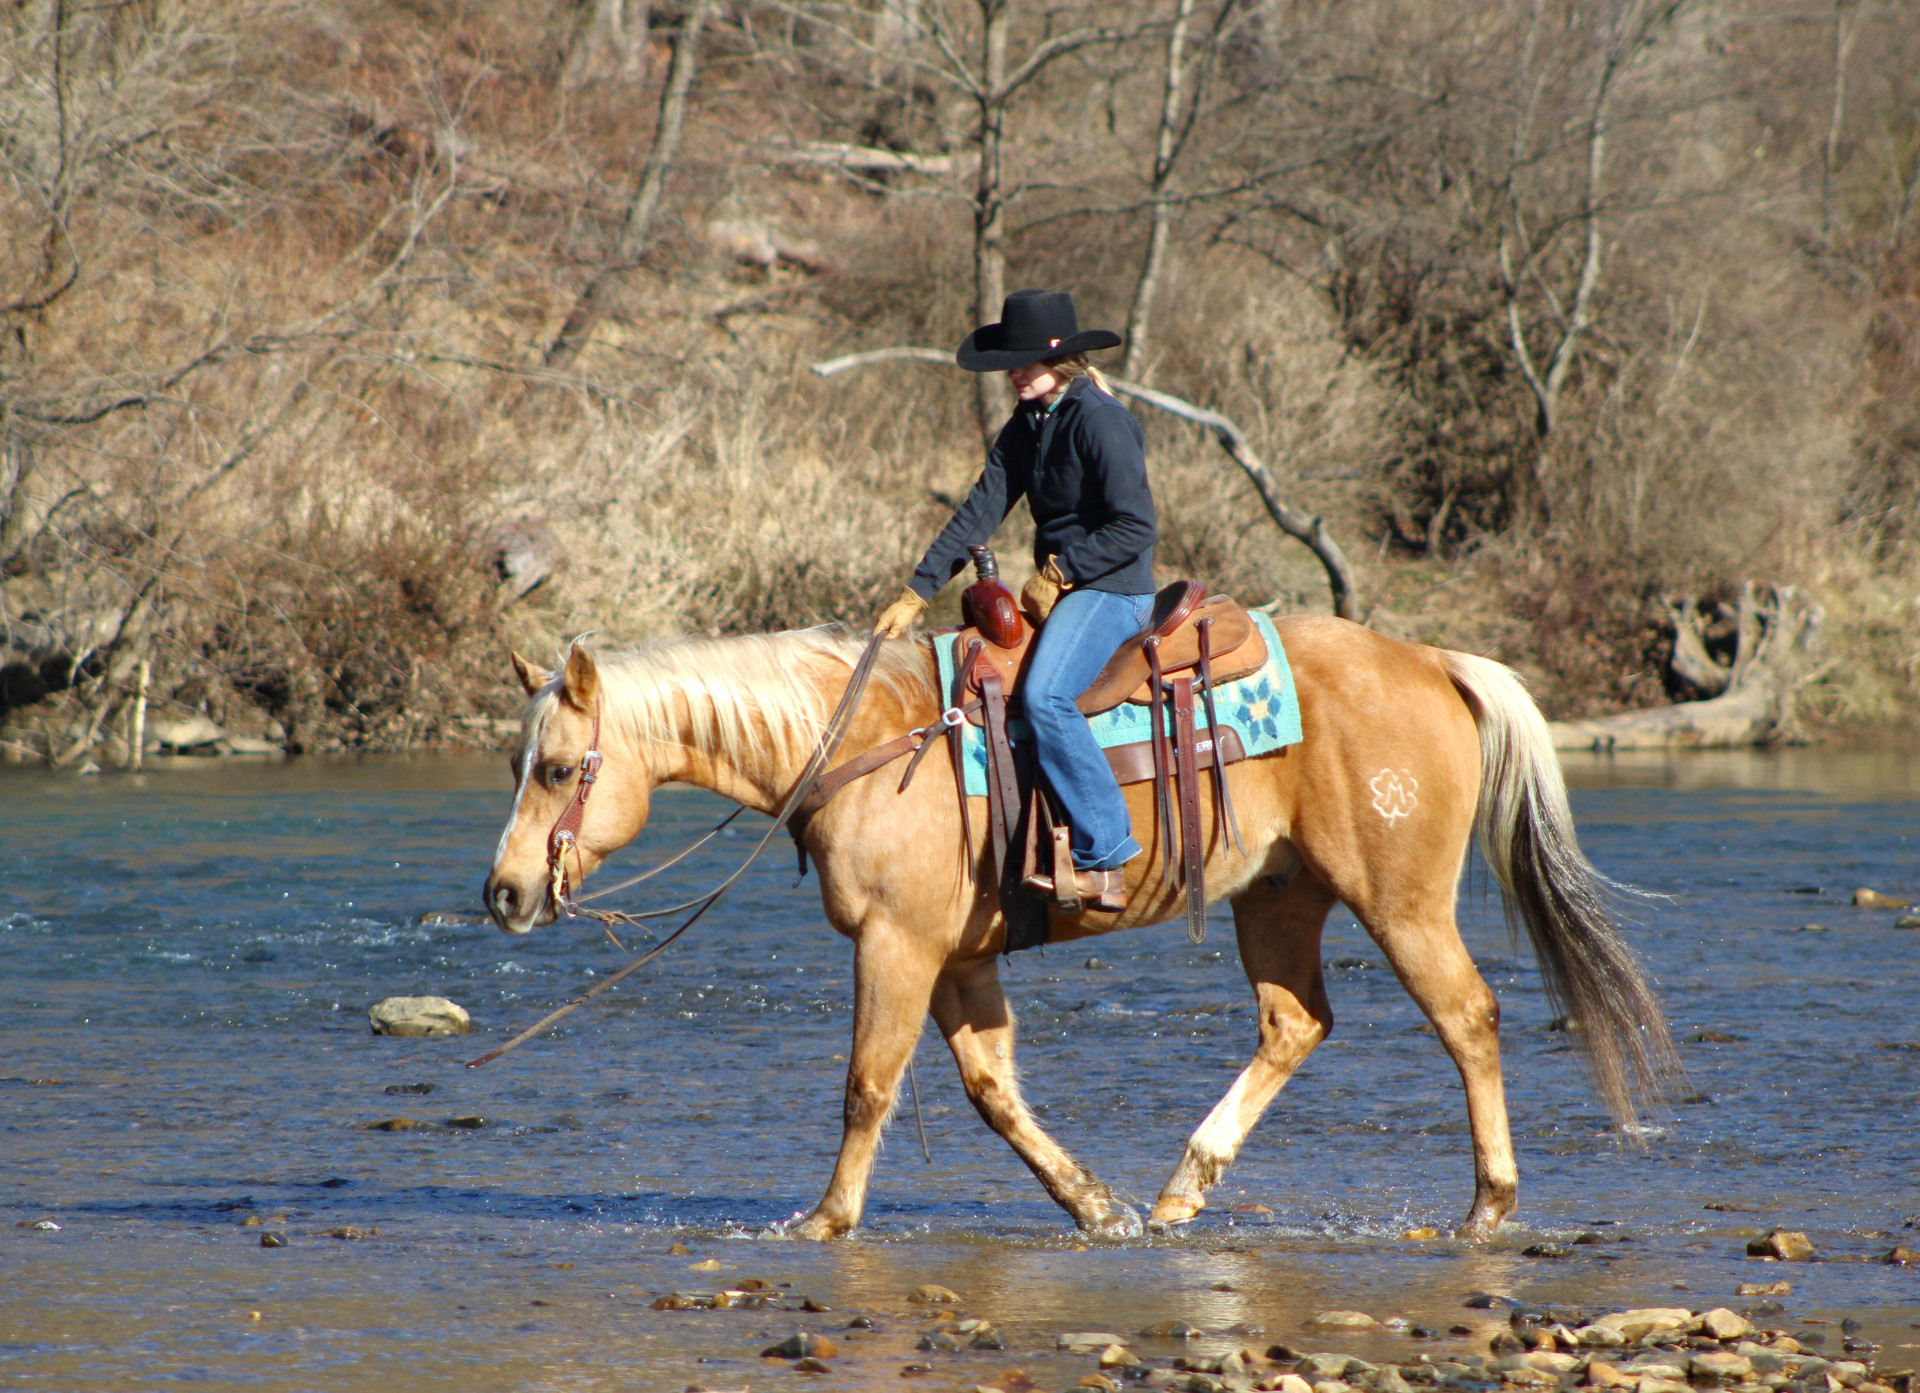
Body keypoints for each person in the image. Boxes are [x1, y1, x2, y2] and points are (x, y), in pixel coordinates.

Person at [873, 289, 1157, 913]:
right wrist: (917, 592)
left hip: (1112, 590)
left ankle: (1105, 856)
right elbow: (979, 510)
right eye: (1012, 359)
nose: (1014, 370)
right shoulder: (1028, 424)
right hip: (1062, 589)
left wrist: (1062, 572)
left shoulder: (1100, 420)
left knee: (1046, 696)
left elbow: (1136, 528)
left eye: (1025, 360)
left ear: (1062, 362)